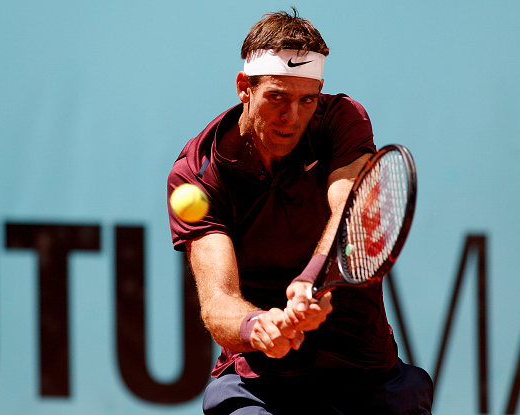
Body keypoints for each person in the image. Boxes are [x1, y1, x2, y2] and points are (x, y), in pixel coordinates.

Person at [167, 8, 433, 414]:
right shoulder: (197, 174)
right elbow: (217, 301)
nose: (291, 117)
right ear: (244, 87)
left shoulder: (341, 119)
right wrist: (257, 327)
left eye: (307, 99)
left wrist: (312, 279)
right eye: (277, 97)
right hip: (262, 382)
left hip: (362, 371)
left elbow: (349, 206)